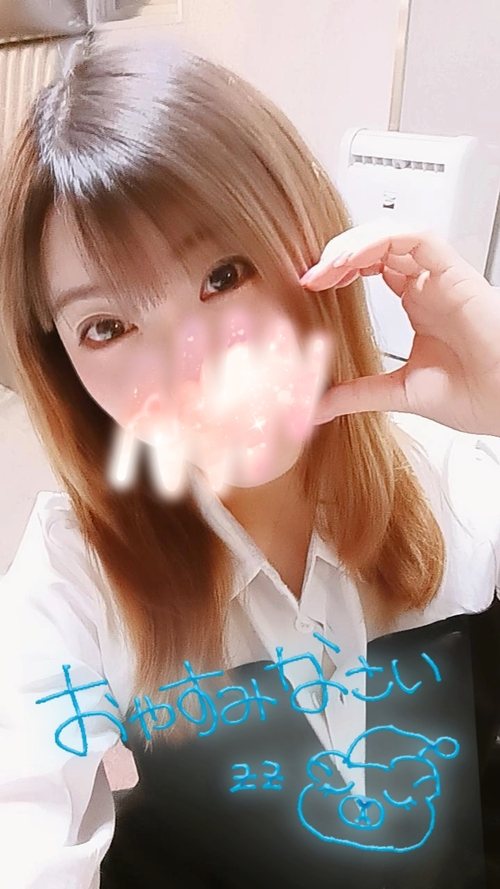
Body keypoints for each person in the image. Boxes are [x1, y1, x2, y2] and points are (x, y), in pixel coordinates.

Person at [0, 29, 499, 889]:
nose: (189, 368)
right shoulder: (75, 583)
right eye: (108, 327)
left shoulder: (459, 486)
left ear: (310, 240)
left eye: (224, 275)